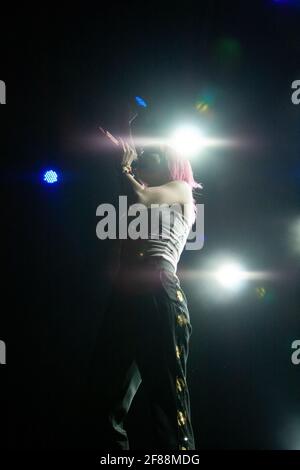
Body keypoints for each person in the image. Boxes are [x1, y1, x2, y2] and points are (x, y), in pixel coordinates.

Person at [82, 137, 202, 450]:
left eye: (155, 154)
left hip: (158, 289)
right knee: (102, 399)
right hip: (127, 297)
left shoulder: (179, 188)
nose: (146, 156)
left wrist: (123, 165)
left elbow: (140, 196)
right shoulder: (141, 197)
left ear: (172, 163)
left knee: (167, 398)